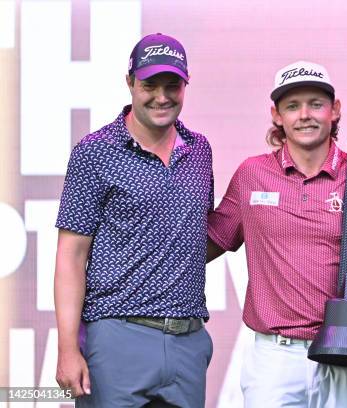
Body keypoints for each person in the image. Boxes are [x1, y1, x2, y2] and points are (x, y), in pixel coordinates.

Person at [206, 60, 347, 407]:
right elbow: (208, 245)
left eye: (316, 104)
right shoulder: (251, 174)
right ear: (276, 115)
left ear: (335, 110)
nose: (305, 115)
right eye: (292, 105)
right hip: (275, 357)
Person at [54, 33, 214, 407]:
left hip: (188, 342)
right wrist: (66, 349)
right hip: (117, 336)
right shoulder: (94, 152)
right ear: (130, 83)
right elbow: (71, 255)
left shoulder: (200, 151)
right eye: (150, 85)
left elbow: (192, 234)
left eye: (172, 85)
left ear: (185, 85)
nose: (162, 96)